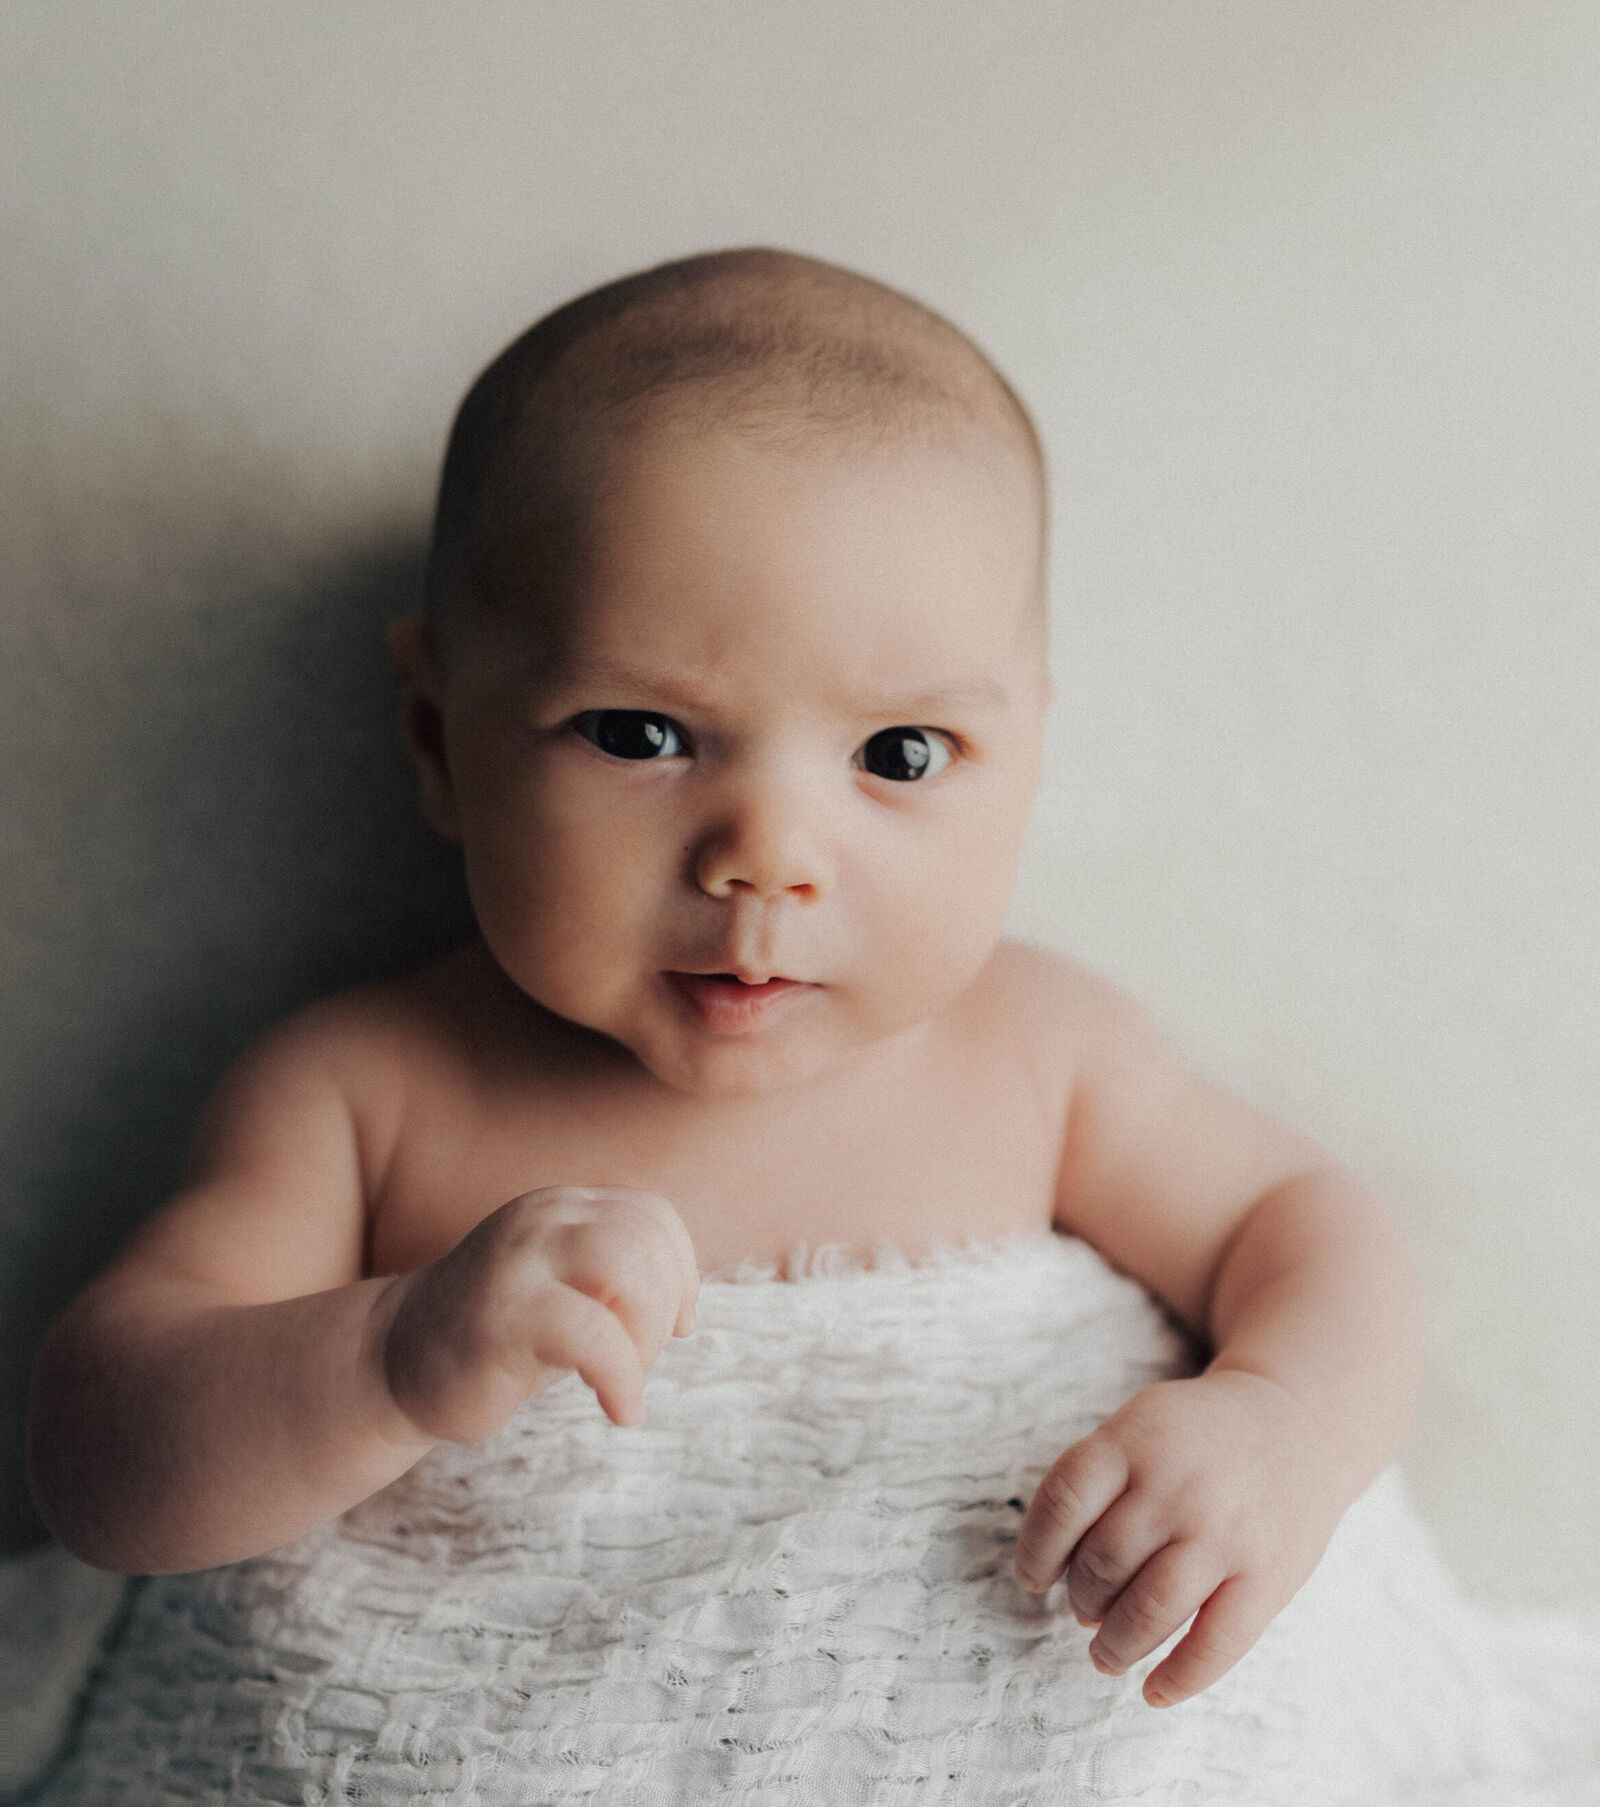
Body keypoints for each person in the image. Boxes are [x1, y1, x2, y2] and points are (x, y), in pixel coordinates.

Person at [27, 245, 1421, 1711]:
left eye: (898, 755)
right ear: (439, 739)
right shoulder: (368, 1094)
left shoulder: (1039, 1057)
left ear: (1026, 760)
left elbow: (1309, 1227)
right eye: (639, 735)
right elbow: (99, 1459)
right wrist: (386, 1354)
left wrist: (1283, 1426)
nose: (766, 860)